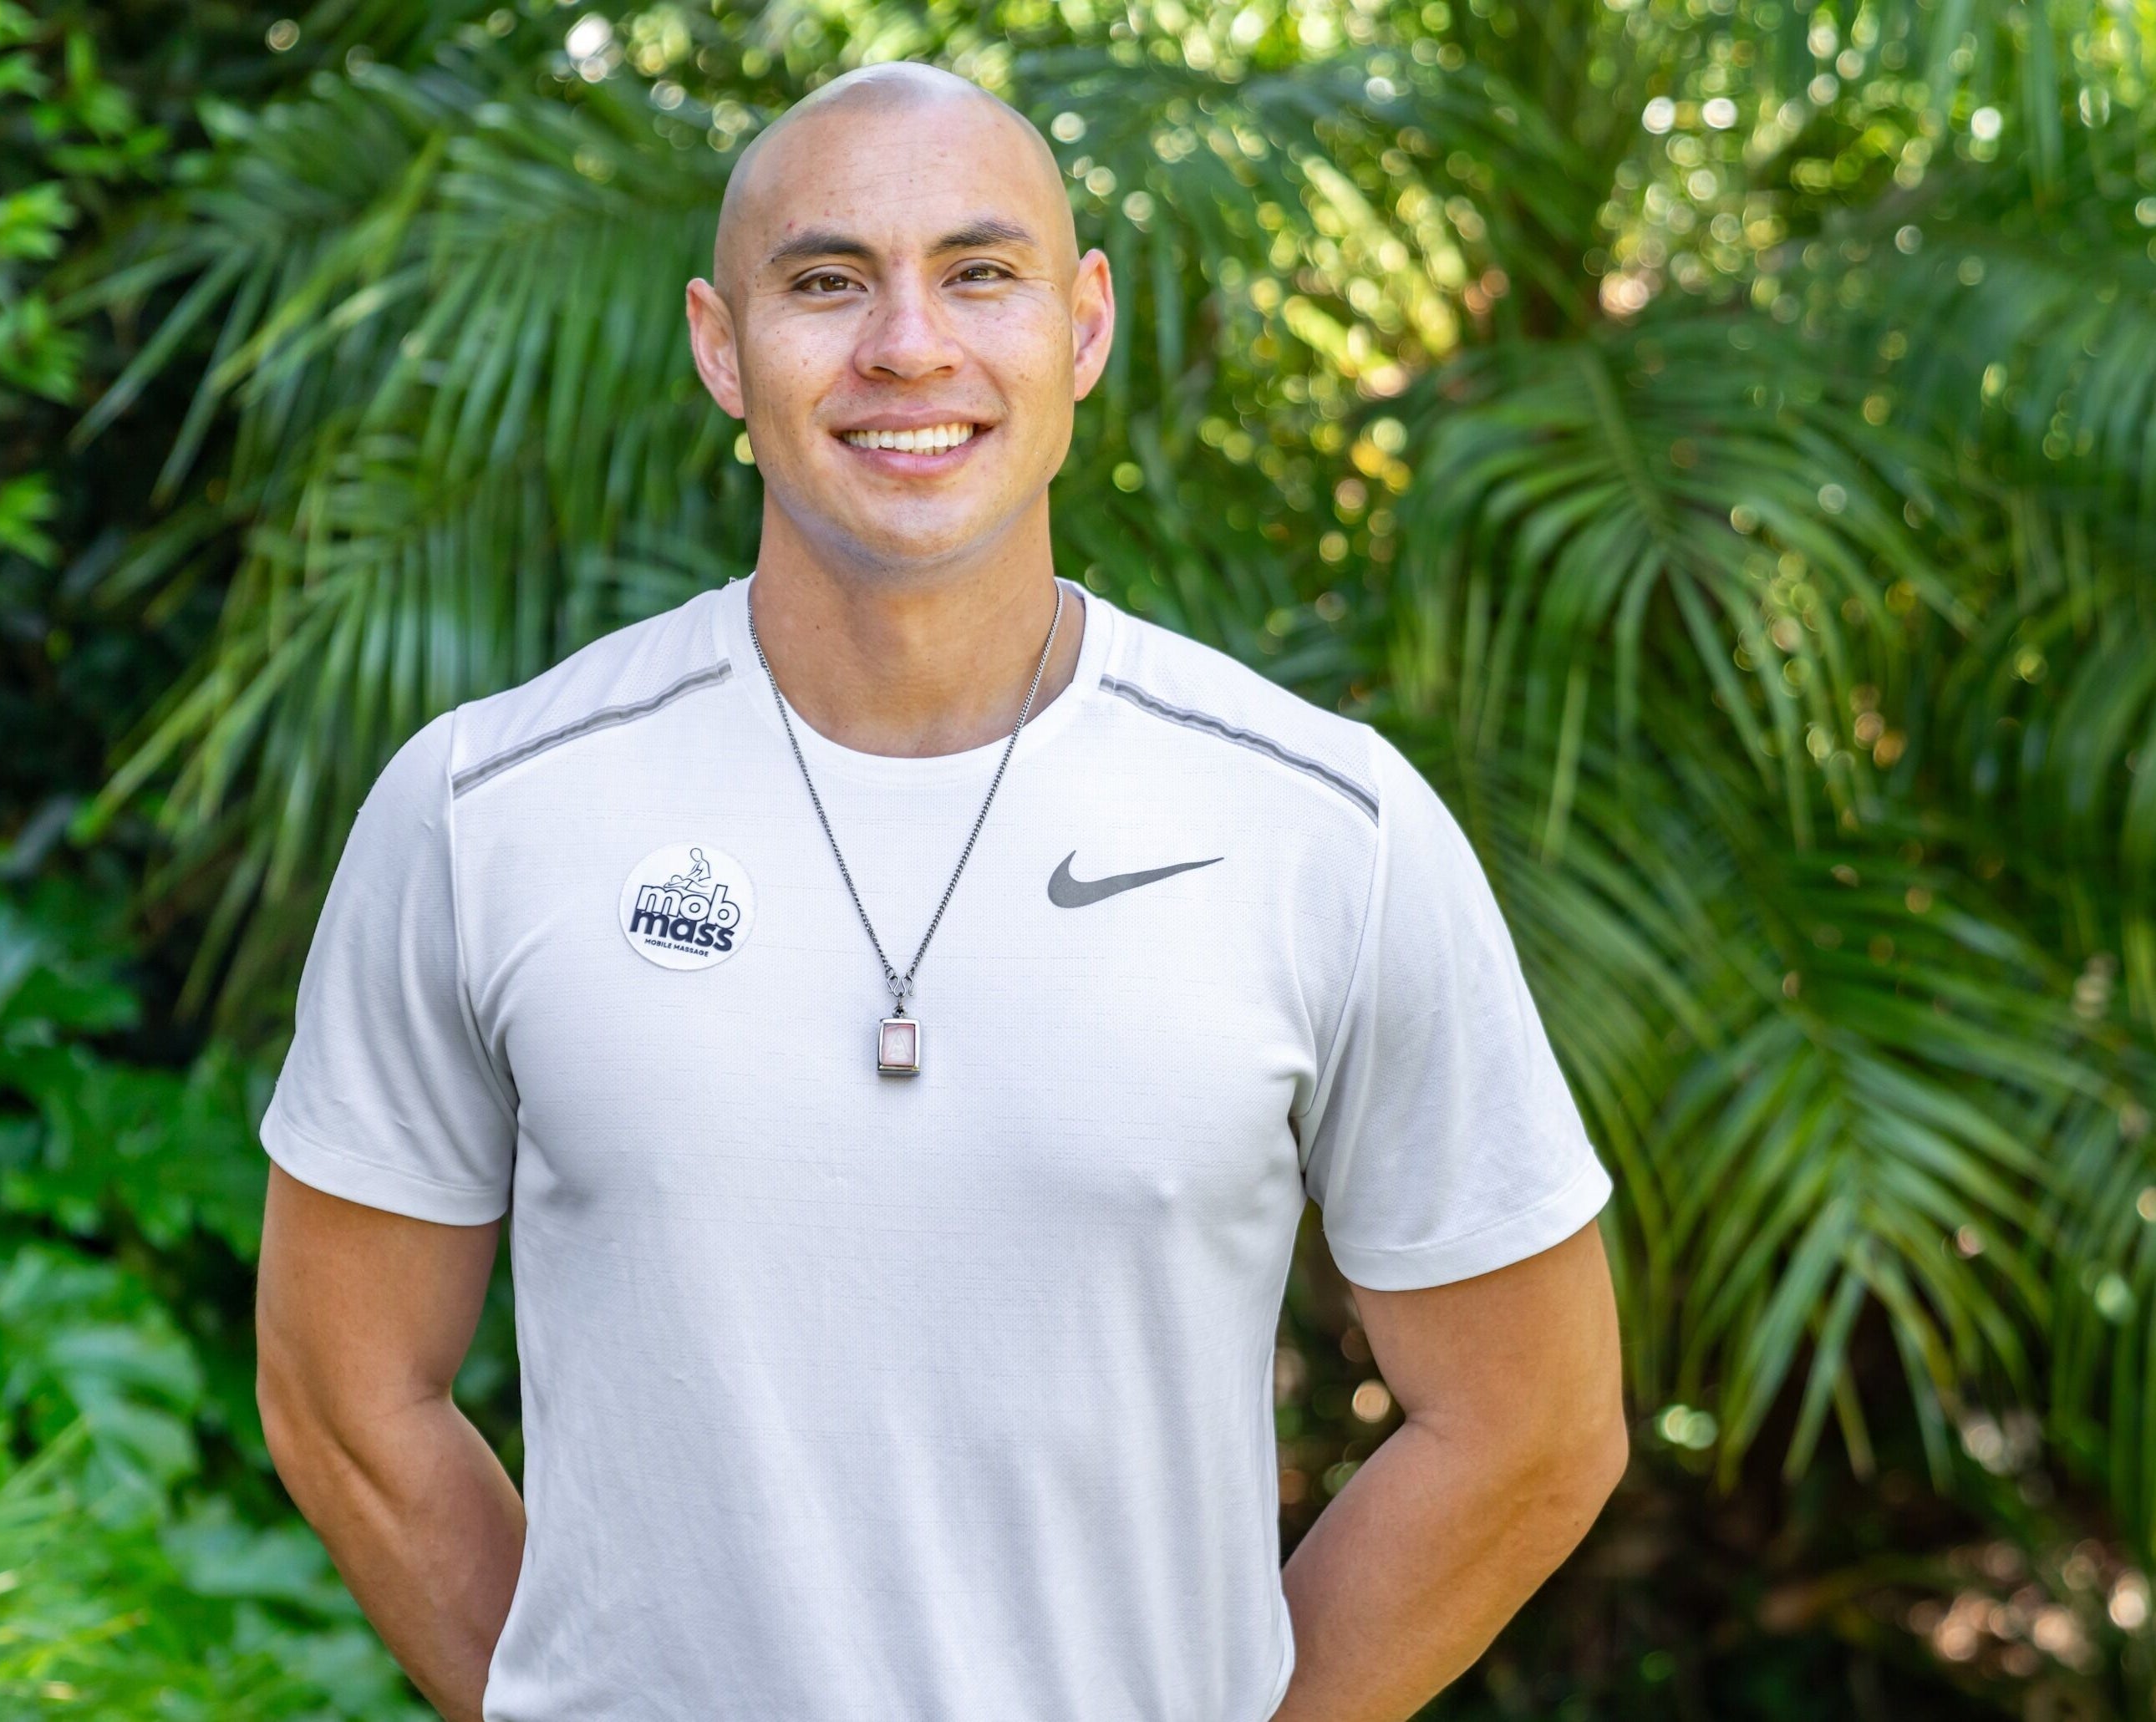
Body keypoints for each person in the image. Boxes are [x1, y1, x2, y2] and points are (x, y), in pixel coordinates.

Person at [252, 60, 1626, 1722]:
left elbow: (1531, 1421)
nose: (909, 344)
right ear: (719, 347)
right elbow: (342, 1394)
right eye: (827, 282)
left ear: (1083, 325)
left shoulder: (1322, 825)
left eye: (979, 273)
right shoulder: (487, 807)